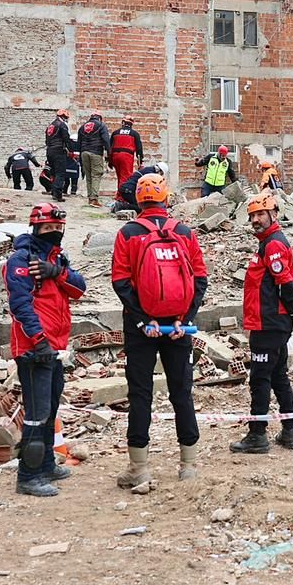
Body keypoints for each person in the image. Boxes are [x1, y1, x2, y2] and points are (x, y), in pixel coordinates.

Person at [110, 172, 208, 488]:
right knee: (182, 394)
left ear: (137, 200)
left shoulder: (128, 233)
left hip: (142, 327)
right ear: (166, 198)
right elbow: (200, 279)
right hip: (179, 325)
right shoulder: (184, 232)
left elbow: (120, 281)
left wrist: (142, 320)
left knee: (141, 395)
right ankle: (188, 466)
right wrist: (184, 318)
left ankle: (139, 469)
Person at [4, 202, 87, 497]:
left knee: (50, 409)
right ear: (36, 228)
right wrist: (38, 340)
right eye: (47, 228)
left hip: (56, 346)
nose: (53, 233)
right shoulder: (21, 260)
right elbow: (20, 305)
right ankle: (28, 476)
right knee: (36, 414)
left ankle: (47, 464)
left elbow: (79, 288)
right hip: (33, 348)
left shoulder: (56, 259)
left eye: (57, 228)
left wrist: (57, 272)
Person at [230, 192, 293, 455]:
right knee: (278, 375)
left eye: (260, 214)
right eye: (252, 216)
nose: (255, 220)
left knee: (260, 378)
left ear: (273, 214)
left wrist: (292, 310)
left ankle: (257, 435)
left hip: (268, 324)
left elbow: (286, 282)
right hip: (271, 322)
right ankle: (289, 429)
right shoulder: (269, 243)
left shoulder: (272, 245)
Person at [76, 112, 111, 207]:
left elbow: (78, 143)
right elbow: (106, 140)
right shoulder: (101, 125)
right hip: (96, 152)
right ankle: (94, 199)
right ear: (99, 118)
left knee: (88, 176)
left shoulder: (82, 127)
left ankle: (90, 198)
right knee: (96, 174)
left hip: (84, 152)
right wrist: (109, 153)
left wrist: (80, 156)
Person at [43, 108, 74, 202]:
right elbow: (66, 138)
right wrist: (71, 150)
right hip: (58, 151)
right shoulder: (62, 125)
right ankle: (58, 195)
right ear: (64, 117)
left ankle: (53, 191)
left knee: (53, 173)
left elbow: (46, 140)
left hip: (49, 151)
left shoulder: (50, 126)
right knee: (60, 173)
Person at [111, 117, 143, 194]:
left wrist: (109, 160)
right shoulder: (134, 134)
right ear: (131, 124)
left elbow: (110, 146)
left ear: (123, 123)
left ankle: (119, 193)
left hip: (115, 156)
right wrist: (140, 161)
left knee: (119, 176)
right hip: (126, 156)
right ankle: (122, 196)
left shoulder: (115, 132)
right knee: (126, 177)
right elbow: (139, 149)